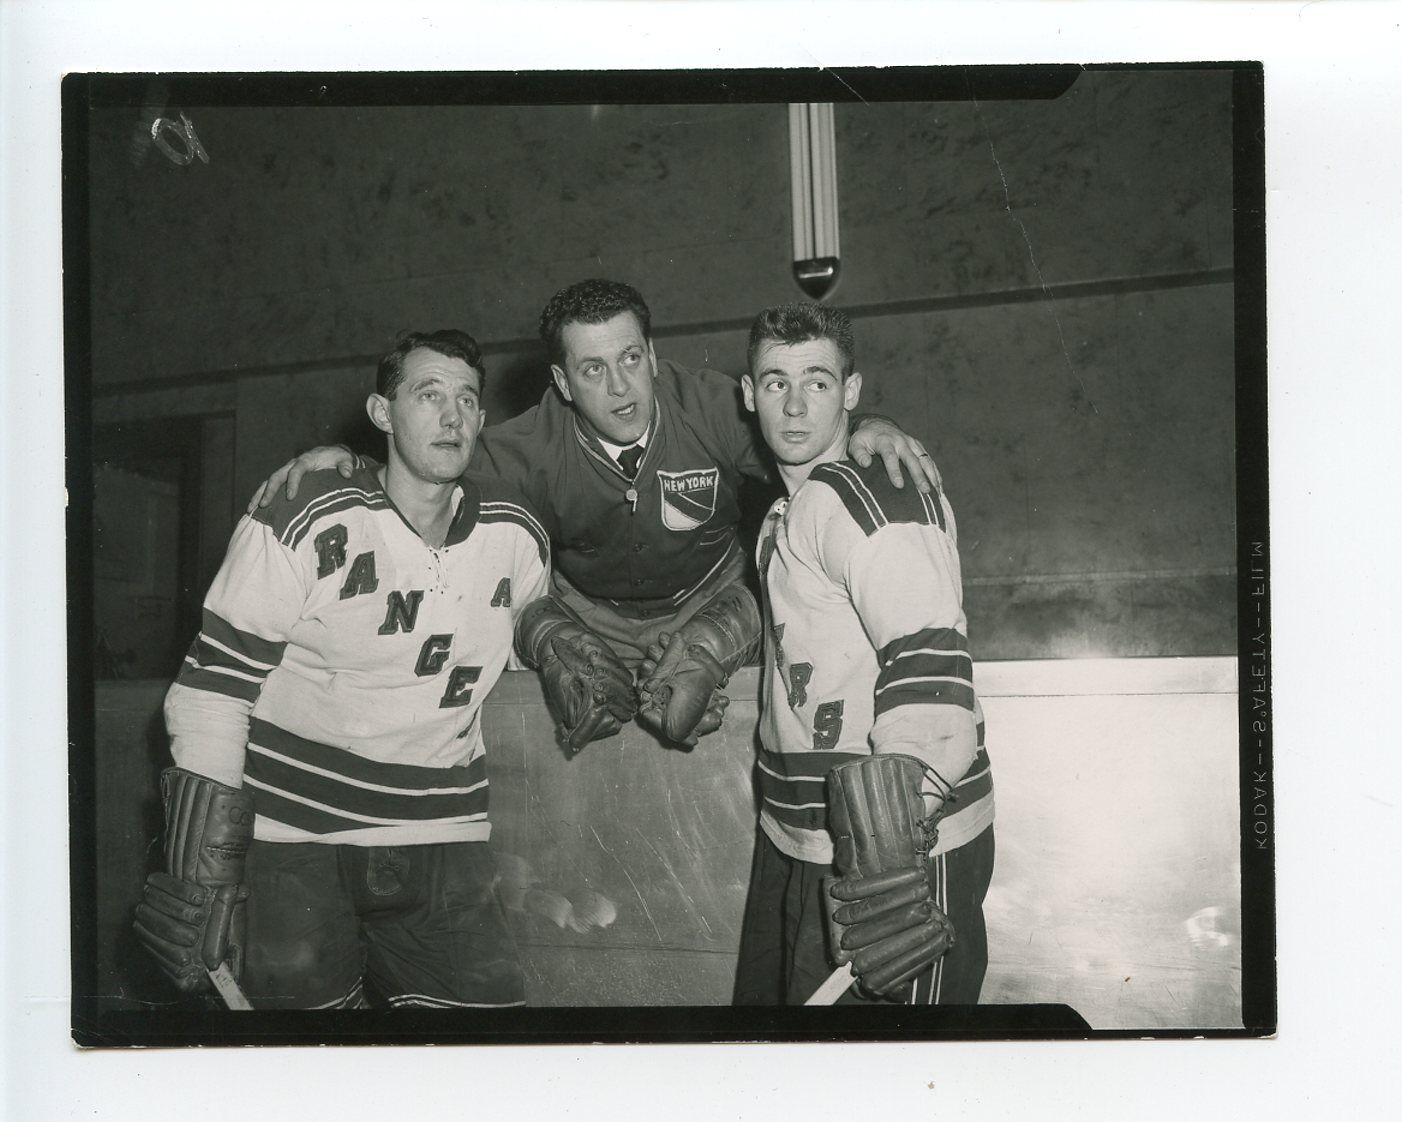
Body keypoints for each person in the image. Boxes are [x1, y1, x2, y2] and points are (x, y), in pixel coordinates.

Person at [251, 280, 942, 754]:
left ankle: (707, 646)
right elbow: (424, 463)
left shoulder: (715, 410)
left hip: (714, 599)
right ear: (560, 381)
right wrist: (342, 456)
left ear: (652, 354)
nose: (620, 388)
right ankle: (562, 642)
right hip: (595, 619)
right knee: (533, 611)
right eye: (592, 370)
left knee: (764, 591)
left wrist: (869, 425)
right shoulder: (523, 446)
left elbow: (806, 427)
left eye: (631, 359)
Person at [132, 330, 551, 1009]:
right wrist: (207, 872)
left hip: (443, 837)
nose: (452, 417)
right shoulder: (303, 513)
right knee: (306, 1073)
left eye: (467, 400)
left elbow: (539, 631)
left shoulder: (517, 535)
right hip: (294, 841)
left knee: (484, 1060)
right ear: (383, 413)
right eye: (429, 395)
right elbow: (211, 691)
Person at [725, 303, 995, 1006]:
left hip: (892, 850)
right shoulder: (786, 511)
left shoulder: (868, 490)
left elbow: (929, 654)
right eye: (774, 382)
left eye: (816, 382)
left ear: (851, 391)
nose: (793, 404)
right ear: (748, 395)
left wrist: (895, 842)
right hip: (805, 840)